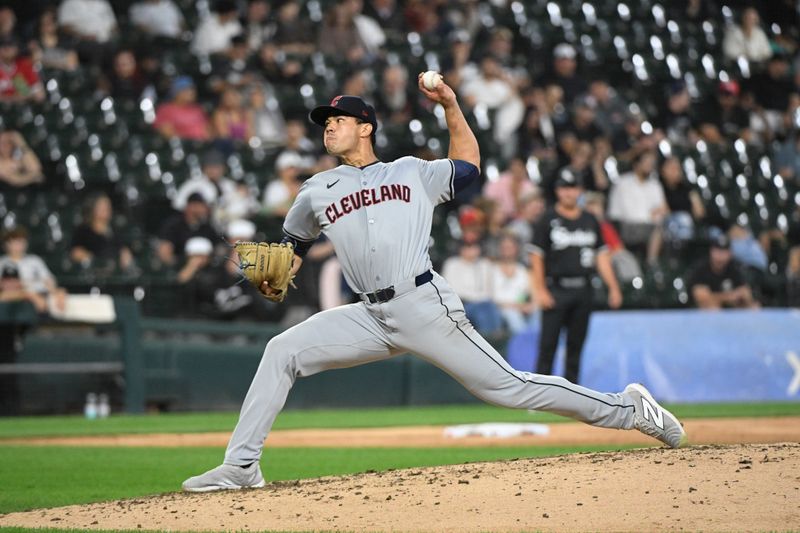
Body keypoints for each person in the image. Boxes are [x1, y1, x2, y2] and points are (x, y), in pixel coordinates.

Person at [181, 81, 686, 492]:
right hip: (368, 316)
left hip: (424, 304)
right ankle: (242, 466)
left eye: (337, 119)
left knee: (508, 388)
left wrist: (449, 104)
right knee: (282, 350)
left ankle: (628, 408)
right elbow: (292, 247)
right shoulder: (315, 190)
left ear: (365, 128)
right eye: (324, 122)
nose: (328, 126)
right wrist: (274, 271)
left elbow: (468, 164)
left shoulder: (411, 172)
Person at [530, 172, 623, 385]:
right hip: (556, 288)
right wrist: (540, 289)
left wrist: (613, 287)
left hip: (583, 289)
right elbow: (536, 257)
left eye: (573, 187)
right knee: (548, 345)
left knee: (576, 346)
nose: (569, 192)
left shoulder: (590, 220)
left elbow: (602, 256)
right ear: (557, 191)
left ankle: (572, 396)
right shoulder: (547, 219)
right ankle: (538, 398)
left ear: (580, 190)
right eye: (564, 187)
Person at [687, 235, 758, 309]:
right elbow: (701, 297)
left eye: (724, 252)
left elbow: (745, 293)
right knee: (712, 308)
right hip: (700, 314)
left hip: (731, 311)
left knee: (753, 307)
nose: (720, 256)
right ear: (711, 251)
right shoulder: (701, 269)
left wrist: (745, 299)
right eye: (717, 251)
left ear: (730, 254)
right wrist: (729, 297)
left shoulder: (735, 268)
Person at [69, 194, 134, 274]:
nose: (107, 209)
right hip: (93, 275)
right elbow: (76, 252)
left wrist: (125, 253)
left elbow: (123, 249)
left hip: (115, 275)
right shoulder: (83, 230)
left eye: (108, 206)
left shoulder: (115, 229)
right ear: (93, 209)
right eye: (102, 206)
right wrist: (96, 262)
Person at [157, 193, 219, 267]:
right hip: (179, 263)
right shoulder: (174, 224)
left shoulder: (207, 227)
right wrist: (175, 265)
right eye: (201, 206)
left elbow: (217, 247)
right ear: (191, 206)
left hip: (206, 267)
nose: (205, 209)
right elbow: (165, 249)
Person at [153, 77, 212, 141]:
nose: (191, 92)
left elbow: (208, 131)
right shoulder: (166, 110)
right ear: (176, 92)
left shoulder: (198, 109)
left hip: (202, 146)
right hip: (182, 147)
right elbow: (168, 133)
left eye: (192, 89)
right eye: (186, 89)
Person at [0, 35, 44, 103]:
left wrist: (23, 95)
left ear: (16, 49)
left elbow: (40, 94)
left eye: (10, 45)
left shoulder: (23, 65)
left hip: (23, 109)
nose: (7, 48)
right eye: (3, 45)